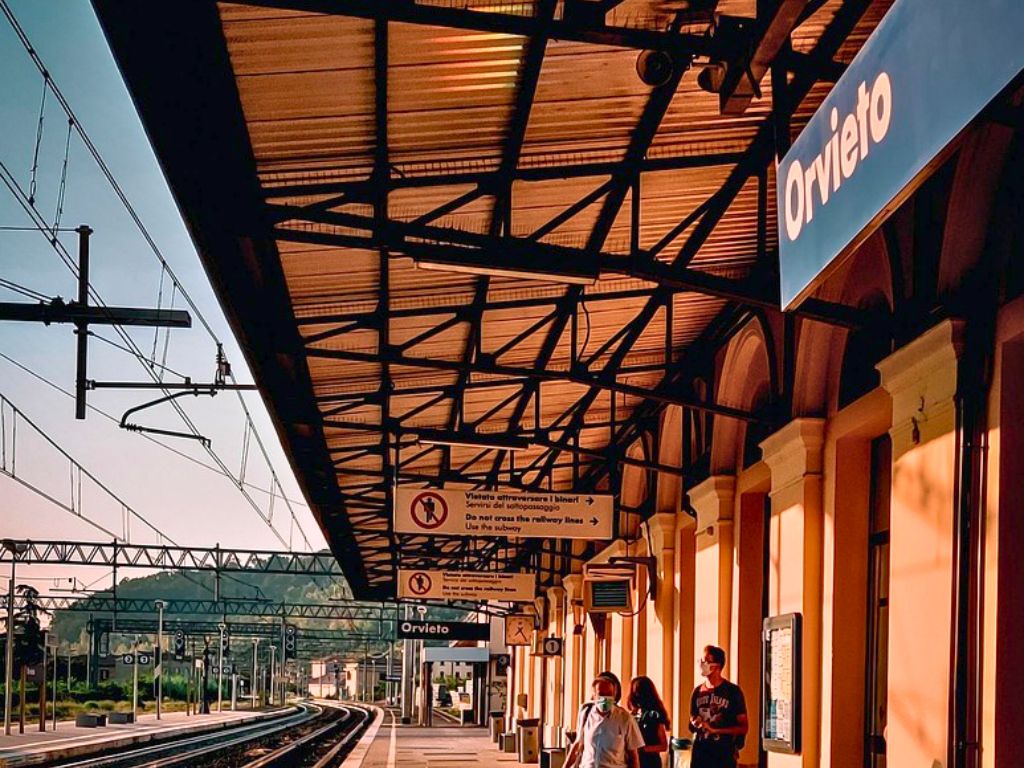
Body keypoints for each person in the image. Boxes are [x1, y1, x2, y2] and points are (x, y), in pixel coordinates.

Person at [688, 645, 748, 768]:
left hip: (723, 753)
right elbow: (692, 719)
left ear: (717, 666)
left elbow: (743, 727)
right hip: (700, 752)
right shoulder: (697, 691)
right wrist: (695, 721)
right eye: (702, 660)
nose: (702, 664)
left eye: (706, 661)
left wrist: (715, 730)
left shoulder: (732, 692)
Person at [565, 675, 644, 768]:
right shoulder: (586, 714)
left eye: (609, 694)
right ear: (594, 696)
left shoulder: (625, 719)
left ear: (614, 696)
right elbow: (577, 746)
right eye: (601, 694)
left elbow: (633, 757)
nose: (605, 698)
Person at [627, 676, 669, 768]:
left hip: (650, 762)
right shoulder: (632, 716)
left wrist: (643, 749)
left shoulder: (654, 715)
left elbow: (663, 745)